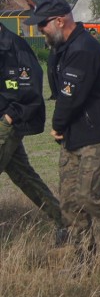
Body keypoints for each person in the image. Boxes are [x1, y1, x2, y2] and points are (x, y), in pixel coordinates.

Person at [30, 0, 100, 264]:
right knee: (69, 201)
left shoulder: (83, 49)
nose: (39, 30)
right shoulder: (62, 47)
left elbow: (70, 97)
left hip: (99, 133)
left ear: (60, 20)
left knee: (88, 196)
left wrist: (57, 127)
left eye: (42, 25)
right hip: (75, 133)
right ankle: (84, 257)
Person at [0, 23, 67, 244]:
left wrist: (10, 117)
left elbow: (30, 88)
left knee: (24, 176)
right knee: (24, 177)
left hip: (7, 123)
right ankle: (66, 223)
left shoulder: (15, 47)